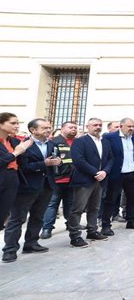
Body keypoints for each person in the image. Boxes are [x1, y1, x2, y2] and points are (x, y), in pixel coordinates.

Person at [2, 118, 60, 263]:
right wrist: (44, 163)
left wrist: (56, 162)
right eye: (44, 128)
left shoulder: (52, 144)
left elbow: (53, 164)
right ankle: (9, 250)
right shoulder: (23, 144)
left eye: (49, 127)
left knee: (38, 216)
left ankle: (31, 243)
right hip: (26, 186)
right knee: (17, 219)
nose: (48, 130)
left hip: (46, 186)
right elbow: (23, 167)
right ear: (33, 130)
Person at [68, 118, 113, 247]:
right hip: (84, 180)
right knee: (78, 209)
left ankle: (92, 231)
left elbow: (111, 158)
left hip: (101, 179)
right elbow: (79, 160)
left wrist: (105, 171)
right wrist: (95, 172)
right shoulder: (80, 141)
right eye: (94, 125)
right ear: (88, 126)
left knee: (95, 208)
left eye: (100, 125)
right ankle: (75, 236)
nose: (97, 127)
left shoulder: (105, 142)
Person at [102, 117, 134, 232]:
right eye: (129, 126)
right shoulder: (110, 137)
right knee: (111, 200)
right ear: (121, 126)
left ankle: (131, 221)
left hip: (131, 173)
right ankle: (105, 225)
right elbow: (105, 155)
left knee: (132, 198)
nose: (131, 129)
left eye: (132, 126)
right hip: (116, 173)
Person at [40, 120, 77, 240]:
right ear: (62, 129)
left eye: (75, 128)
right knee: (52, 204)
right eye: (71, 127)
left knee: (70, 204)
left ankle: (71, 224)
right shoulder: (53, 142)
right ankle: (47, 228)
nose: (74, 129)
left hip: (72, 179)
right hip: (57, 179)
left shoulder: (78, 143)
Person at [0, 113, 33, 231]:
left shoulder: (14, 141)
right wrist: (16, 153)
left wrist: (24, 151)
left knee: (3, 216)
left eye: (18, 123)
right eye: (13, 123)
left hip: (12, 180)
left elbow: (22, 163)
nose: (17, 126)